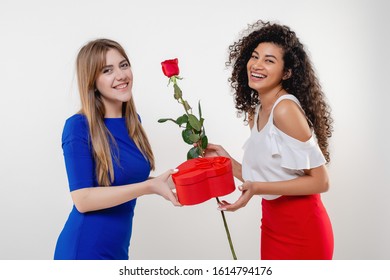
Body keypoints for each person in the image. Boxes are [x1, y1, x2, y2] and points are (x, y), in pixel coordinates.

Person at [205, 20, 334, 260]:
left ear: (287, 72)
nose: (257, 65)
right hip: (273, 226)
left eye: (269, 60)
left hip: (304, 230)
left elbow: (320, 182)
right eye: (255, 57)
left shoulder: (285, 110)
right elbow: (269, 177)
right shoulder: (256, 111)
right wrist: (226, 161)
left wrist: (257, 189)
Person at [54, 39, 181, 260]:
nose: (121, 75)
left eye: (124, 65)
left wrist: (192, 173)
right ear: (92, 81)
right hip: (85, 250)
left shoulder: (133, 122)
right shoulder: (78, 126)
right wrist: (149, 187)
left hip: (117, 249)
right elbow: (82, 200)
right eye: (107, 70)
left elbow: (127, 179)